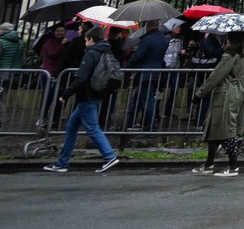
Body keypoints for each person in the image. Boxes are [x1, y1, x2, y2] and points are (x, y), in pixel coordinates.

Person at [41, 25, 119, 174]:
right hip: (96, 92)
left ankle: (109, 156)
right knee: (71, 127)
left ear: (90, 39)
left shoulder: (91, 53)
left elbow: (81, 76)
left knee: (92, 127)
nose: (85, 42)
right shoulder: (106, 51)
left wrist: (66, 94)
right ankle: (62, 162)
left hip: (86, 95)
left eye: (86, 40)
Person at [192, 31, 244, 176]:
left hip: (227, 93)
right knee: (215, 127)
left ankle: (233, 166)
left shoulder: (230, 56)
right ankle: (209, 163)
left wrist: (200, 94)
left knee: (226, 128)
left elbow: (215, 76)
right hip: (240, 92)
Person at [123, 20, 168, 131]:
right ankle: (129, 122)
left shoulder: (147, 39)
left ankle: (150, 126)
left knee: (147, 101)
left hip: (145, 72)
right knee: (138, 98)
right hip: (156, 72)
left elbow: (138, 56)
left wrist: (127, 68)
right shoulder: (163, 39)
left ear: (148, 26)